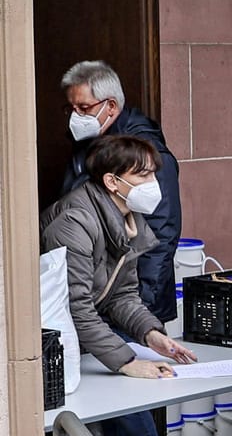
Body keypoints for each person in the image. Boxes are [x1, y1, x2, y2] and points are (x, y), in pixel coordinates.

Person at [43, 134, 197, 436]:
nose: (152, 185)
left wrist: (152, 334)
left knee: (125, 375)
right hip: (51, 327)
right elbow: (76, 306)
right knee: (119, 377)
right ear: (112, 181)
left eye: (152, 175)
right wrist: (128, 360)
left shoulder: (128, 218)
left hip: (81, 320)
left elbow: (122, 295)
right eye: (141, 175)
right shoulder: (74, 222)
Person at [59, 60, 181, 320]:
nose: (75, 116)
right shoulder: (89, 141)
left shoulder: (146, 156)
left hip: (130, 302)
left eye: (83, 108)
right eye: (71, 108)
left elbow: (161, 233)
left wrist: (140, 310)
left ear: (110, 106)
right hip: (97, 293)